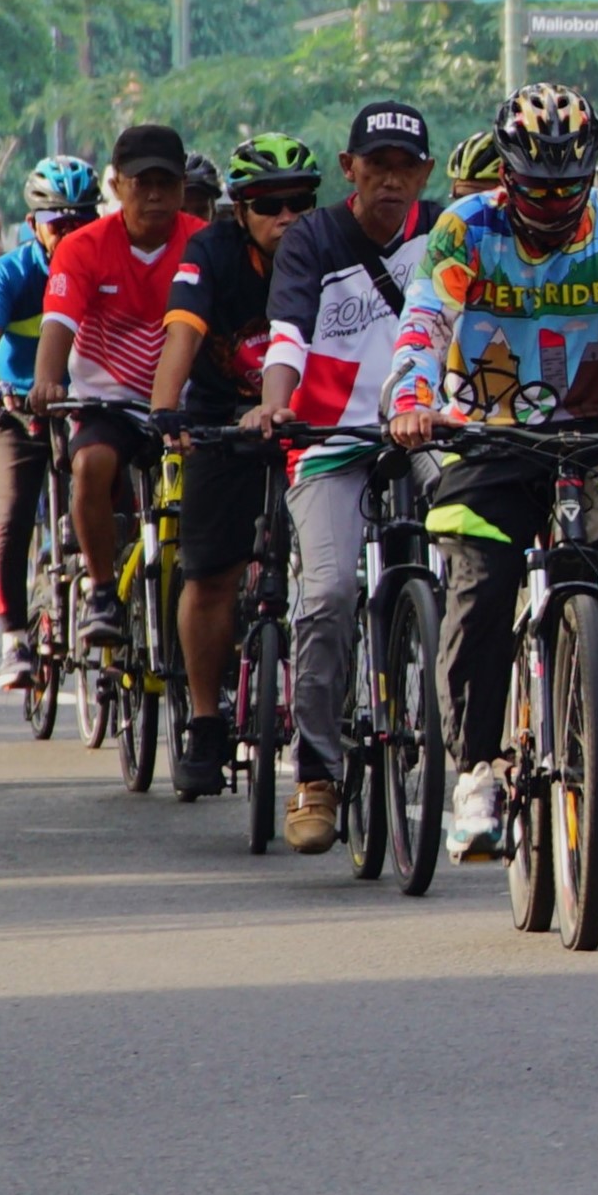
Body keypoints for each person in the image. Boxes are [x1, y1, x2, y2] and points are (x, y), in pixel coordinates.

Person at [383, 86, 598, 860]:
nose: (551, 203)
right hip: (490, 432)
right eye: (535, 188)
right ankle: (477, 770)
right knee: (479, 579)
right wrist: (411, 395)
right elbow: (423, 323)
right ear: (505, 176)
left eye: (568, 187)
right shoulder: (464, 229)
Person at [258, 103, 440, 851]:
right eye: (379, 165)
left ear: (425, 174)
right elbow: (289, 334)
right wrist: (275, 401)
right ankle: (318, 769)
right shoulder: (311, 239)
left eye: (407, 167)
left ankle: (491, 739)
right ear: (350, 169)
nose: (392, 180)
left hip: (427, 424)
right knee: (328, 591)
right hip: (329, 438)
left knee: (479, 543)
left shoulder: (446, 232)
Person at [145, 135, 321, 804]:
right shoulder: (209, 253)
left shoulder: (328, 247)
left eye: (300, 203)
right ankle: (206, 720)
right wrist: (167, 413)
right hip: (221, 417)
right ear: (237, 211)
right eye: (269, 205)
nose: (288, 218)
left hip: (309, 419)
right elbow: (183, 334)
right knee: (208, 573)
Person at [30, 126, 198, 664]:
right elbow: (57, 324)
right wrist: (47, 382)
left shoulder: (202, 241)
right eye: (141, 182)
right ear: (117, 184)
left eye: (165, 184)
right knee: (92, 467)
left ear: (181, 188)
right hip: (109, 402)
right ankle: (103, 591)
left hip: (187, 406)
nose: (153, 195)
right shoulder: (83, 248)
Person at [0, 154, 97, 686]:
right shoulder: (11, 272)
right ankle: (14, 641)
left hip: (86, 405)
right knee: (13, 510)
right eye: (56, 225)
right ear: (33, 227)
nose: (68, 236)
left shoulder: (103, 265)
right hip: (17, 409)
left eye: (79, 223)